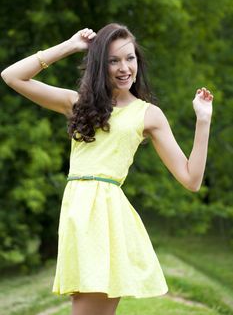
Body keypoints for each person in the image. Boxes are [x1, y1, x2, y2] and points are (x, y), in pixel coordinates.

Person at [1, 23, 213, 315]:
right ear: (100, 65)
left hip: (105, 218)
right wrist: (70, 45)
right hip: (77, 214)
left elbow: (191, 179)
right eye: (114, 60)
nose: (125, 67)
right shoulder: (77, 104)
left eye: (130, 58)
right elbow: (11, 76)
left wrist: (203, 121)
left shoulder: (148, 114)